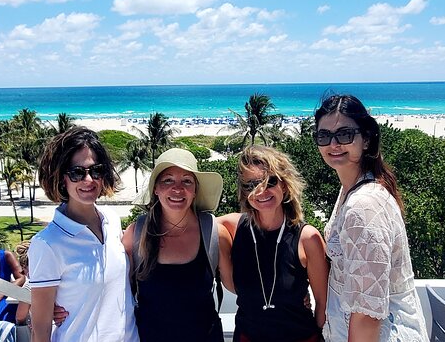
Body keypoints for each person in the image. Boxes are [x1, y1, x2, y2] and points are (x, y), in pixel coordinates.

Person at [314, 94, 428, 342]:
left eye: (344, 134)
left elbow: (367, 314)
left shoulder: (363, 206)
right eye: (324, 136)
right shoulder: (352, 190)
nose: (333, 144)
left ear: (365, 139)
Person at [29, 127, 138, 342]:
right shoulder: (47, 244)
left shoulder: (111, 220)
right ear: (62, 178)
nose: (88, 180)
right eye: (77, 172)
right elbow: (40, 329)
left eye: (96, 171)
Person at [217, 145, 328, 342]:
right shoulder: (230, 228)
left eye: (270, 181)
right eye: (251, 185)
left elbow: (323, 303)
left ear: (284, 185)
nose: (261, 191)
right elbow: (190, 222)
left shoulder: (307, 238)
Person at [122, 148, 231, 342]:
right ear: (155, 189)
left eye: (187, 181)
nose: (177, 189)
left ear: (195, 190)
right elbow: (114, 290)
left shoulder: (214, 233)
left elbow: (240, 287)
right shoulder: (136, 235)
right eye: (168, 180)